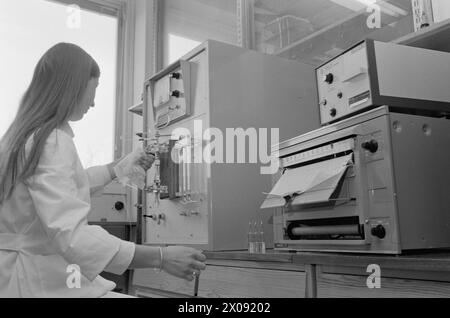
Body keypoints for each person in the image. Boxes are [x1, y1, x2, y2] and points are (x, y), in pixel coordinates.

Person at [0, 43, 206, 298]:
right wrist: (162, 257)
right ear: (73, 86)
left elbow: (66, 187)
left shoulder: (24, 137)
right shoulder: (51, 140)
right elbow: (73, 236)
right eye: (93, 89)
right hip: (37, 281)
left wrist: (118, 168)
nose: (94, 103)